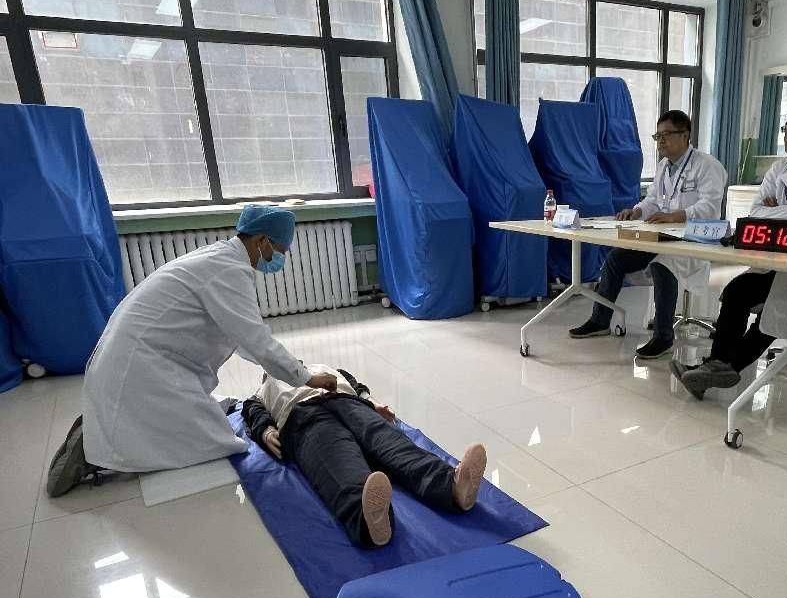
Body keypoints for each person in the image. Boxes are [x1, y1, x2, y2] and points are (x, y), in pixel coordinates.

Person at [47, 205, 338, 497]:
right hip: (140, 364)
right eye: (280, 250)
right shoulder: (229, 271)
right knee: (215, 442)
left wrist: (284, 367)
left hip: (135, 356)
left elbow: (240, 335)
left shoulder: (219, 258)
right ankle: (95, 449)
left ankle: (101, 430)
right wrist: (305, 377)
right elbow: (256, 339)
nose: (280, 258)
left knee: (209, 418)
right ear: (262, 240)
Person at [674, 96, 787, 398]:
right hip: (779, 259)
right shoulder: (780, 168)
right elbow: (755, 213)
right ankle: (715, 366)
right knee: (736, 292)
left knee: (776, 309)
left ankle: (719, 370)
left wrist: (782, 211)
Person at [241, 365, 488, 548]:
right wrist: (267, 431)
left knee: (389, 442)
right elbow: (254, 413)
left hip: (348, 403)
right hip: (303, 416)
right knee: (337, 458)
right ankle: (368, 518)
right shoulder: (261, 392)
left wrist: (371, 402)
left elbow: (355, 385)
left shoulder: (325, 368)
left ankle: (452, 485)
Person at [568, 110, 727, 359]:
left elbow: (710, 207)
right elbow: (653, 200)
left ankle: (663, 337)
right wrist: (637, 211)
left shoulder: (707, 165)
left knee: (663, 263)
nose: (661, 141)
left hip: (693, 238)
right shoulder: (664, 166)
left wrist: (676, 216)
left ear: (685, 135)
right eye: (658, 136)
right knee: (615, 259)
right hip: (662, 235)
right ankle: (600, 320)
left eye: (666, 135)